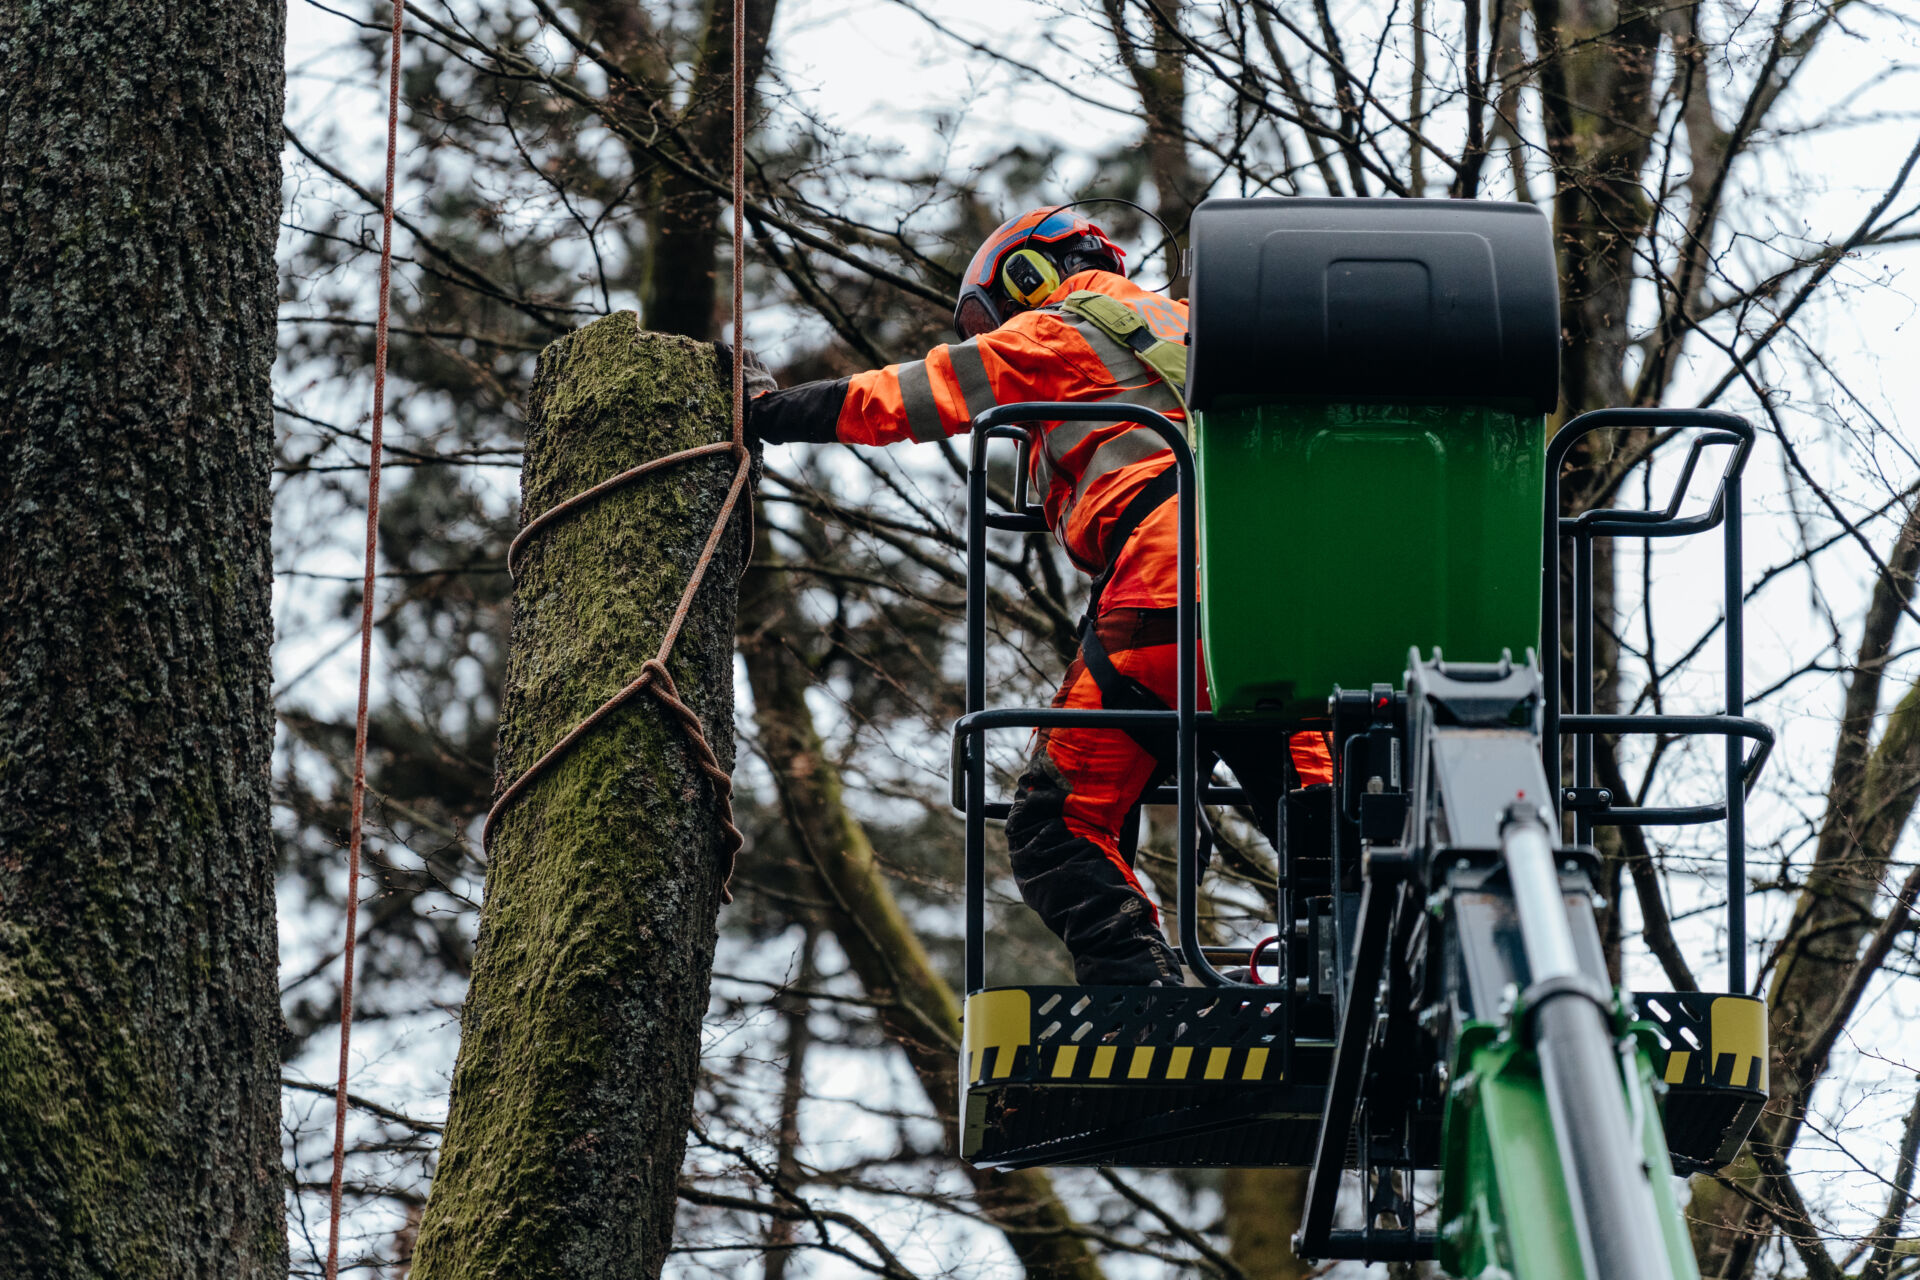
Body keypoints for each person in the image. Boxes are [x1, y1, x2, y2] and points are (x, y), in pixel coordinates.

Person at [746, 206, 1331, 985]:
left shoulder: (1059, 331)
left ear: (1029, 278)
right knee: (1327, 822)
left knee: (1059, 826)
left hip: (1168, 590)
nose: (989, 332)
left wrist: (768, 413)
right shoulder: (1207, 331)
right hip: (1298, 608)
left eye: (988, 315)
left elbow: (907, 397)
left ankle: (1144, 1007)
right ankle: (1358, 969)